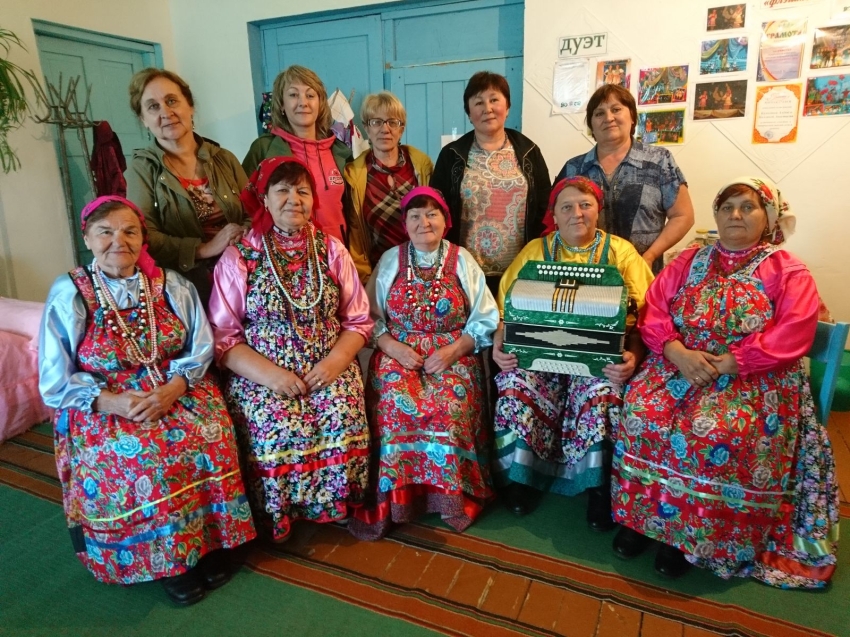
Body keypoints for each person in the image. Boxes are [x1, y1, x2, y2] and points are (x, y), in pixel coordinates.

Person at [611, 177, 840, 588]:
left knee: (714, 430)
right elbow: (654, 311)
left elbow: (796, 330)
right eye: (727, 206)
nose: (735, 214)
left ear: (768, 216)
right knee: (641, 411)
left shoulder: (786, 269)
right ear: (715, 215)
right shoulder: (688, 261)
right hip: (679, 368)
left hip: (750, 380)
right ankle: (643, 522)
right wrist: (676, 352)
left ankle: (687, 540)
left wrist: (738, 361)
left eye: (747, 207)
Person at [38, 196, 256, 606]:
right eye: (105, 231)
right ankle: (170, 561)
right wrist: (112, 402)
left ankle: (211, 542)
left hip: (173, 386)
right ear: (87, 237)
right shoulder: (70, 292)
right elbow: (53, 379)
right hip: (104, 401)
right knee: (144, 454)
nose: (117, 240)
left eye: (129, 231)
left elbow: (201, 345)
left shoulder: (170, 283)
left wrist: (174, 388)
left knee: (211, 433)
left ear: (143, 239)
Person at [209, 157, 372, 544]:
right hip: (261, 370)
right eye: (281, 190)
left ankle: (334, 507)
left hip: (327, 362)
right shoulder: (240, 256)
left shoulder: (332, 250)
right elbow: (223, 337)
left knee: (340, 407)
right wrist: (273, 376)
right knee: (271, 420)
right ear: (263, 199)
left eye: (302, 190)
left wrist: (335, 363)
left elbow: (359, 321)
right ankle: (279, 515)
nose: (293, 199)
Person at [491, 177, 654, 529]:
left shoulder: (621, 253)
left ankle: (598, 488)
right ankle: (521, 478)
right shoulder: (536, 250)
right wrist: (498, 345)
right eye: (567, 207)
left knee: (603, 396)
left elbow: (648, 316)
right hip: (538, 357)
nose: (576, 213)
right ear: (555, 214)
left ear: (598, 209)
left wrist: (634, 358)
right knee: (513, 382)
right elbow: (506, 308)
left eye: (585, 205)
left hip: (598, 363)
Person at [349, 186, 499, 540]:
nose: (423, 222)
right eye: (414, 215)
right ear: (405, 223)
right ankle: (398, 500)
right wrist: (392, 346)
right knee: (392, 406)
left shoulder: (463, 260)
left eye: (432, 213)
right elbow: (368, 315)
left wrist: (456, 350)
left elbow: (486, 316)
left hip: (453, 352)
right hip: (398, 350)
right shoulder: (390, 260)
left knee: (448, 406)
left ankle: (448, 499)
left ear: (445, 221)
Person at [125, 68, 248, 306]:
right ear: (143, 120)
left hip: (241, 277)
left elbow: (256, 212)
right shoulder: (142, 169)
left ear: (190, 106)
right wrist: (203, 249)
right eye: (153, 106)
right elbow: (144, 234)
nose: (166, 112)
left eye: (172, 101)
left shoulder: (224, 159)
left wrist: (239, 240)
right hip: (183, 290)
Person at [430, 71, 551, 297]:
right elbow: (437, 210)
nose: (487, 108)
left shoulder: (529, 152)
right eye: (478, 102)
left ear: (507, 106)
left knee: (510, 331)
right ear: (469, 112)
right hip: (465, 273)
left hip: (520, 272)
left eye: (494, 99)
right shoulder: (451, 155)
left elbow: (545, 206)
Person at [551, 84, 694, 274]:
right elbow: (554, 221)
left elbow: (683, 216)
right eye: (599, 113)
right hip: (585, 276)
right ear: (591, 125)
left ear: (633, 117)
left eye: (616, 109)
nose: (608, 118)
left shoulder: (659, 161)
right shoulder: (574, 169)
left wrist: (650, 256)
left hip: (642, 274)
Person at [242, 65, 352, 244]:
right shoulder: (263, 149)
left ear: (320, 103)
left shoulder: (340, 151)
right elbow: (245, 205)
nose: (303, 102)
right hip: (286, 259)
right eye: (293, 95)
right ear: (282, 104)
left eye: (310, 95)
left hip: (337, 257)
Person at [344, 91, 433, 282]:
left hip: (423, 271)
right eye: (376, 122)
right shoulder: (354, 174)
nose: (385, 129)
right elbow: (356, 236)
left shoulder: (422, 166)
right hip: (380, 275)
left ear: (401, 129)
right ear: (367, 127)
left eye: (392, 122)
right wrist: (366, 281)